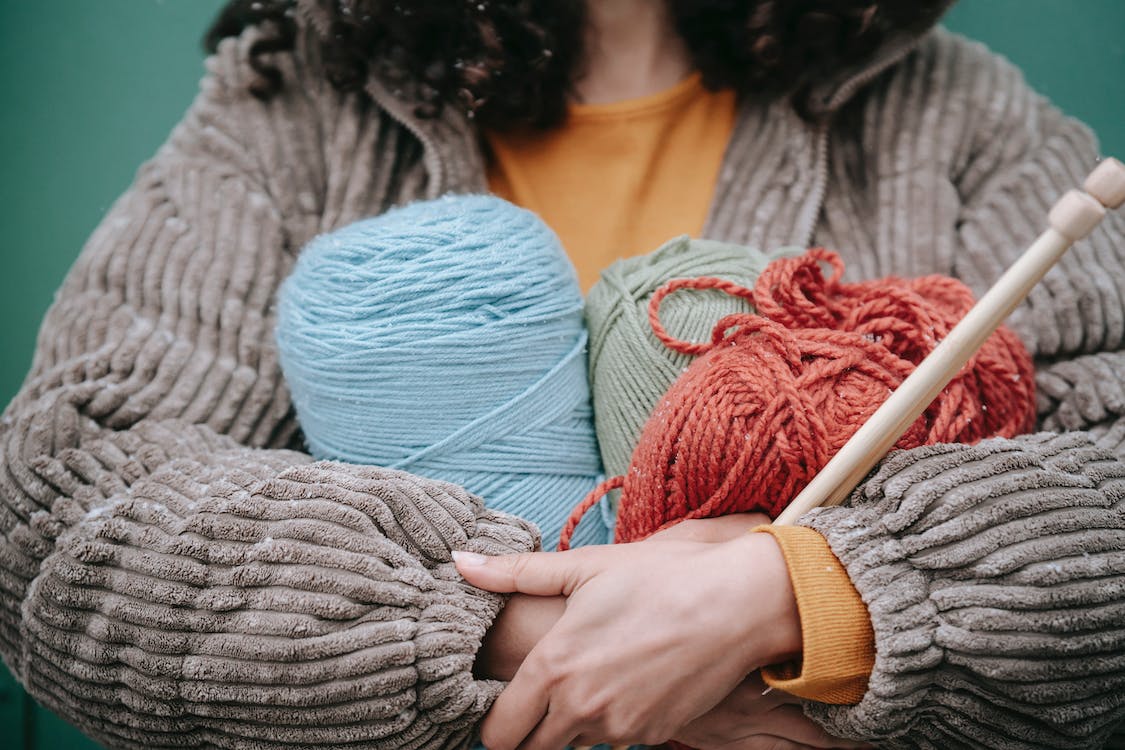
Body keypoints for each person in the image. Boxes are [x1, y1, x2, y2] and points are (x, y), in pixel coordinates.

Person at [1, 1, 1123, 749]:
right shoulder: (295, 106)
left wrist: (798, 596)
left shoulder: (955, 113)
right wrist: (531, 636)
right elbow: (59, 513)